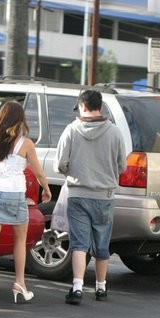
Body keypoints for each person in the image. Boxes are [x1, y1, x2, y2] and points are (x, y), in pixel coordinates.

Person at [55, 89, 127, 304]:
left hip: (78, 194)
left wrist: (74, 171)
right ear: (100, 107)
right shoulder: (114, 132)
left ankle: (77, 287)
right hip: (105, 196)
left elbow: (60, 164)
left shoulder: (71, 130)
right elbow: (122, 165)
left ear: (83, 107)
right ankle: (101, 288)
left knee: (79, 243)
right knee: (102, 244)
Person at [0, 100, 51, 306]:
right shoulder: (25, 143)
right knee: (20, 241)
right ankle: (19, 284)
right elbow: (39, 172)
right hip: (15, 195)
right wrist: (46, 189)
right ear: (19, 120)